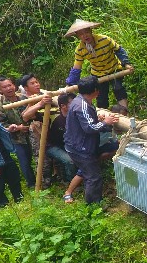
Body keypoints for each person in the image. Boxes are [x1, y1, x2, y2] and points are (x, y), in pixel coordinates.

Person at [63, 75, 119, 204]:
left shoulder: (80, 101)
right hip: (80, 148)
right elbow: (90, 128)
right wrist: (105, 122)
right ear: (95, 90)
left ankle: (93, 203)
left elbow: (86, 123)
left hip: (78, 145)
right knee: (93, 177)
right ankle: (93, 206)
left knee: (90, 173)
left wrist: (98, 119)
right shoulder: (82, 106)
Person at [65, 18, 132, 109]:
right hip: (98, 74)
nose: (85, 36)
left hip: (114, 69)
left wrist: (126, 64)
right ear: (78, 37)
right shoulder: (80, 50)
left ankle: (124, 111)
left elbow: (119, 50)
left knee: (119, 89)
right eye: (81, 34)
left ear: (91, 31)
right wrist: (70, 84)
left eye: (86, 32)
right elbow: (77, 68)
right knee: (101, 98)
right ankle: (103, 114)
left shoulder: (104, 40)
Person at [0, 76, 36, 188]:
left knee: (36, 156)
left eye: (10, 85)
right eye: (4, 87)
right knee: (24, 160)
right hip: (16, 138)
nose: (8, 88)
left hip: (32, 133)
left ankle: (42, 178)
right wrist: (17, 128)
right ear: (0, 90)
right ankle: (31, 183)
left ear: (14, 85)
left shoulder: (23, 98)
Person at [46, 93, 78, 184]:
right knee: (70, 160)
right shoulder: (56, 119)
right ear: (63, 106)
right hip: (53, 146)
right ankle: (69, 182)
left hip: (68, 145)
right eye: (72, 103)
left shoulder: (76, 116)